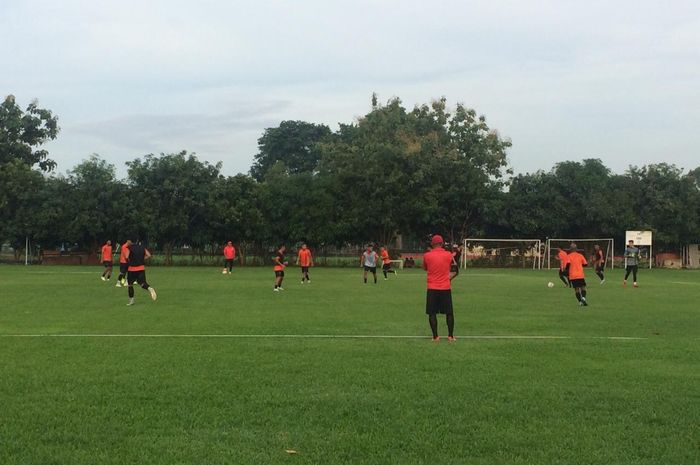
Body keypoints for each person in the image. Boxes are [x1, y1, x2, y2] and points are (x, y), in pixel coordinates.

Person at [423, 235, 456, 342]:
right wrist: (450, 277)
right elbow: (455, 268)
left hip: (432, 287)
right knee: (449, 312)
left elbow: (425, 268)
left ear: (432, 244)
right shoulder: (449, 255)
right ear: (442, 243)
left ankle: (435, 336)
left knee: (432, 312)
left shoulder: (427, 255)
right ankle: (450, 336)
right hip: (445, 287)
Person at [124, 239, 157, 306]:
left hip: (132, 269)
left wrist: (129, 260)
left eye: (128, 241)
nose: (127, 242)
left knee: (130, 285)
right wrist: (142, 259)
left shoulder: (129, 248)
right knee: (142, 284)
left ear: (131, 241)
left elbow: (127, 257)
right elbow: (149, 255)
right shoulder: (142, 247)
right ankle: (150, 288)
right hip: (141, 268)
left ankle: (131, 301)